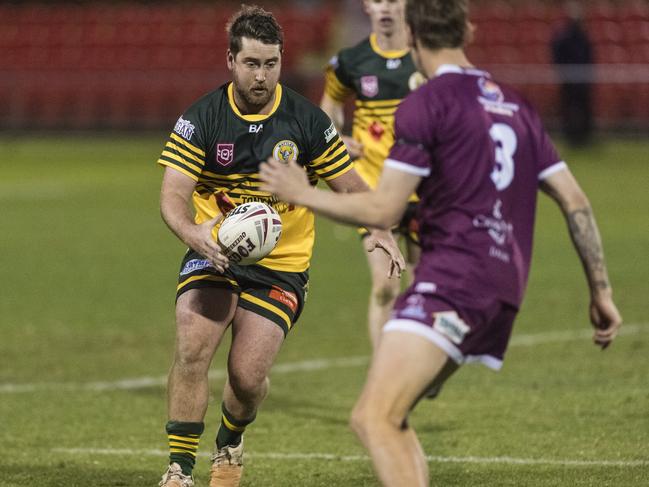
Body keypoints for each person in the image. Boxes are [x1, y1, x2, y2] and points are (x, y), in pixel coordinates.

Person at [260, 1, 623, 485]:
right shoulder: (516, 105)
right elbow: (575, 201)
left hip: (453, 282)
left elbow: (383, 211)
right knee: (393, 413)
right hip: (503, 288)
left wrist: (300, 192)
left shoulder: (427, 103)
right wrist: (601, 292)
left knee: (371, 418)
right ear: (467, 30)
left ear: (411, 37)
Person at [155, 5, 403, 487]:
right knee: (192, 345)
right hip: (215, 253)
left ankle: (229, 441)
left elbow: (350, 186)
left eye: (271, 64)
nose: (262, 75)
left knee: (246, 380)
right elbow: (172, 195)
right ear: (230, 60)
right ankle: (179, 470)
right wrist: (194, 235)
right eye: (251, 63)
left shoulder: (305, 121)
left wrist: (381, 230)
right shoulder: (203, 118)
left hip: (282, 267)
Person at [321, 0, 426, 349]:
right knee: (385, 286)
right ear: (366, 6)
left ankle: (416, 367)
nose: (385, 7)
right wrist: (336, 140)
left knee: (423, 285)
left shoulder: (427, 56)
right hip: (374, 190)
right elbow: (329, 109)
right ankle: (384, 376)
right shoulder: (352, 61)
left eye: (392, 0)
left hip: (425, 190)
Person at [551, 0, 595, 146]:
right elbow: (557, 55)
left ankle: (584, 137)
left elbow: (590, 55)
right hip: (569, 78)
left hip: (583, 78)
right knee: (569, 107)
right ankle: (571, 136)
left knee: (584, 107)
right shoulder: (564, 37)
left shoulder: (584, 37)